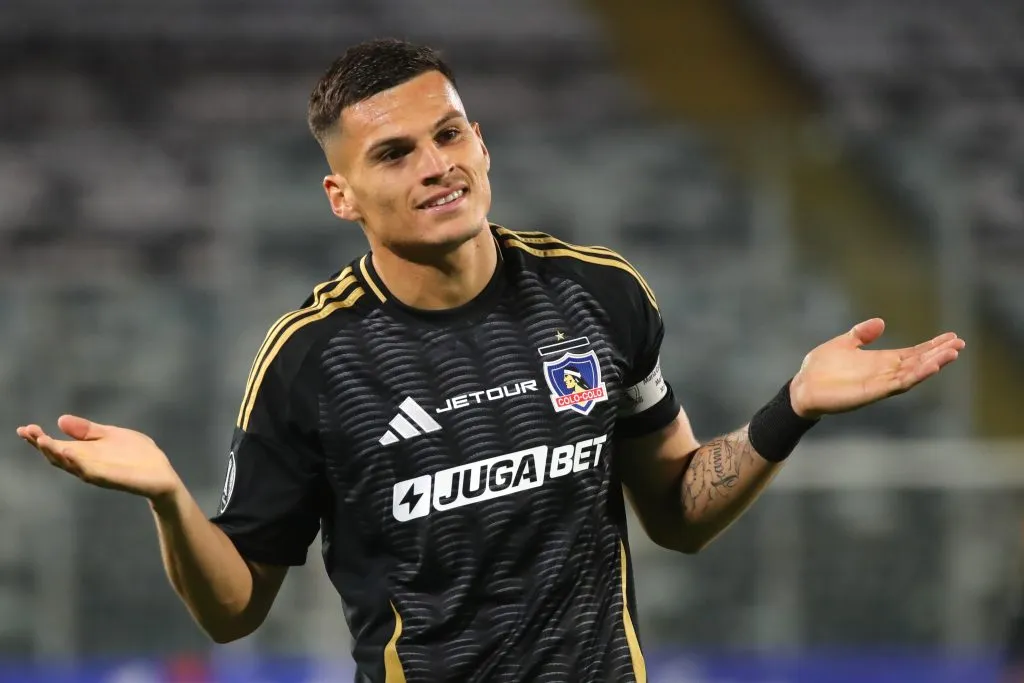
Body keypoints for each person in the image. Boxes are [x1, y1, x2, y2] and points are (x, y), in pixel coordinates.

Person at [17, 38, 966, 683]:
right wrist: (170, 498)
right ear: (341, 195)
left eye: (449, 133)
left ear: (480, 140)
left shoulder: (599, 295)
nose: (437, 164)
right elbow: (233, 611)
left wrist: (792, 405)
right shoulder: (312, 360)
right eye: (394, 153)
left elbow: (677, 509)